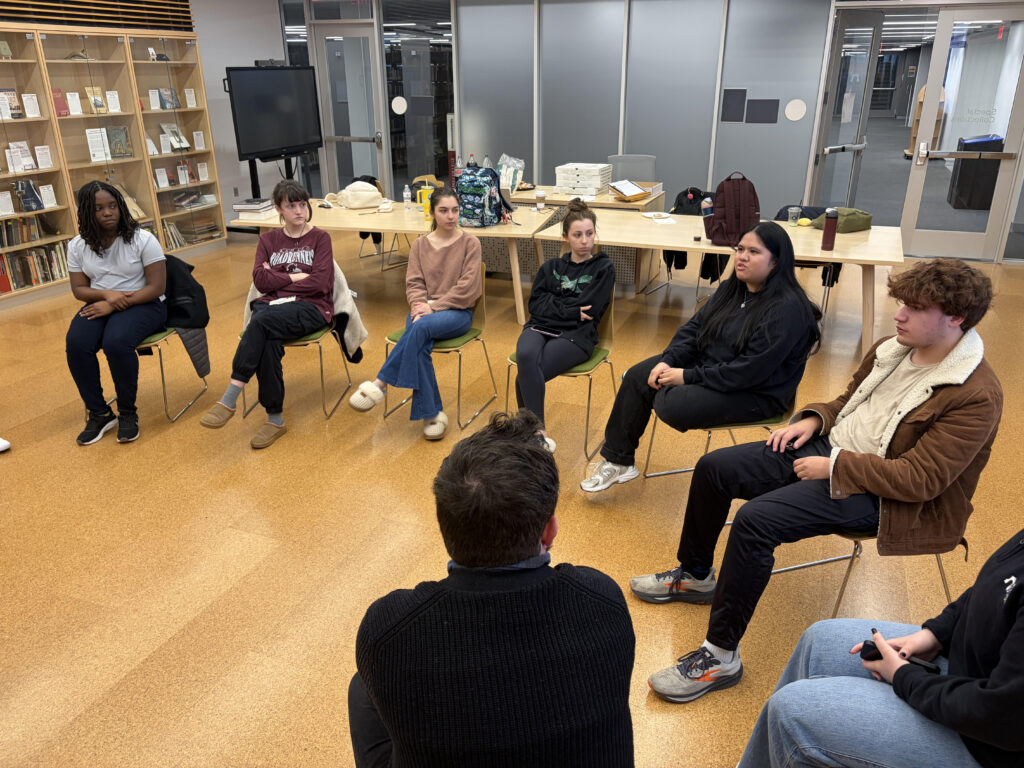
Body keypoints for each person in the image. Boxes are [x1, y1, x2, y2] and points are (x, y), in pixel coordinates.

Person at [631, 258, 1003, 704]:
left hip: (886, 496)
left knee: (755, 521)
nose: (900, 315)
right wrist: (815, 418)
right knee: (715, 469)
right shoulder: (893, 347)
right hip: (831, 451)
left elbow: (921, 480)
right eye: (902, 303)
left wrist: (837, 467)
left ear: (956, 318)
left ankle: (720, 656)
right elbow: (850, 401)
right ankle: (695, 575)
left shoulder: (975, 393)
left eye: (916, 308)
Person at [349, 410, 636, 768]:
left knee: (362, 688)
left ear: (445, 530)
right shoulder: (603, 600)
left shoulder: (387, 629)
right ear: (550, 532)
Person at [738, 525, 1024, 768]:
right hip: (971, 668)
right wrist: (935, 633)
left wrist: (904, 677)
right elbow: (993, 587)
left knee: (789, 714)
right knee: (819, 641)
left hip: (985, 743)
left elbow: (1000, 715)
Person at [581, 220, 820, 492]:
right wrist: (668, 360)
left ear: (776, 262)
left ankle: (651, 396)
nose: (742, 257)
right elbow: (694, 329)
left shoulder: (786, 310)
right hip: (715, 366)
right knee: (639, 376)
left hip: (756, 392)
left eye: (754, 252)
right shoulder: (734, 288)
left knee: (671, 404)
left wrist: (685, 376)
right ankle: (619, 462)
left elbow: (748, 371)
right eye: (740, 248)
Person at [199, 180, 333, 449]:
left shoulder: (320, 238)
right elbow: (260, 281)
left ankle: (230, 396)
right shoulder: (268, 239)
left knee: (260, 322)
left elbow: (320, 283)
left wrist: (278, 277)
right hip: (272, 308)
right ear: (278, 209)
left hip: (312, 307)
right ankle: (275, 419)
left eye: (302, 204)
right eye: (291, 206)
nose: (299, 210)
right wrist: (296, 275)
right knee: (267, 338)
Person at [349, 186, 482, 441]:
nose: (451, 216)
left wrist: (433, 307)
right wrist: (421, 307)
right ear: (432, 212)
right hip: (422, 310)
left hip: (456, 312)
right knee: (419, 344)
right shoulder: (420, 245)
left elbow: (468, 287)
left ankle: (380, 384)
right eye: (444, 210)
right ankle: (432, 415)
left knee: (418, 329)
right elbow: (414, 284)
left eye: (455, 210)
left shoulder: (470, 243)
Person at [66, 180, 168, 445]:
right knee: (76, 343)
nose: (108, 212)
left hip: (145, 302)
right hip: (102, 301)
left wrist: (113, 302)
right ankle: (99, 413)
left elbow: (157, 286)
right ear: (88, 213)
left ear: (121, 207)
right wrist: (106, 296)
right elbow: (79, 289)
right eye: (99, 208)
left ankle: (127, 413)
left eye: (112, 206)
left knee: (116, 342)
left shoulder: (142, 239)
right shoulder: (77, 245)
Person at [514, 198, 615, 452]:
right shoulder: (551, 267)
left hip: (577, 336)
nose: (584, 240)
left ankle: (531, 435)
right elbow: (536, 305)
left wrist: (555, 305)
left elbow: (589, 310)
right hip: (539, 326)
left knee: (523, 378)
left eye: (589, 234)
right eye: (578, 235)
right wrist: (571, 310)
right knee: (526, 355)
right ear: (565, 237)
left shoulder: (603, 267)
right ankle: (537, 434)